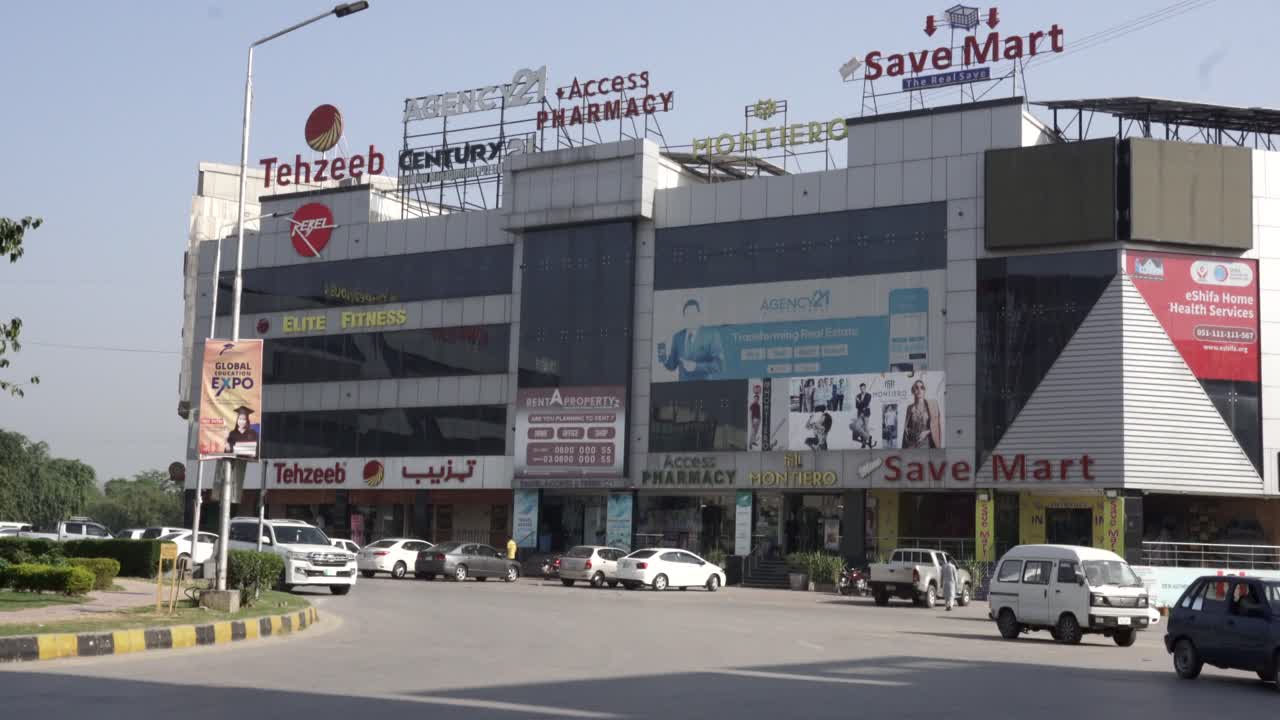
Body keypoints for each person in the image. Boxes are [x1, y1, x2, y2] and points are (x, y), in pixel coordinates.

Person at [658, 299, 724, 381]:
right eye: (688, 315)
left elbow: (719, 365)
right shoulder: (678, 337)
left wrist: (696, 367)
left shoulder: (711, 335)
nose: (691, 318)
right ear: (684, 317)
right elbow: (671, 366)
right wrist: (662, 350)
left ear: (699, 315)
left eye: (694, 314)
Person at [902, 379, 943, 449]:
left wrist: (927, 432)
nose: (919, 390)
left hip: (927, 443)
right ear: (913, 391)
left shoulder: (932, 405)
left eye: (922, 387)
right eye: (916, 388)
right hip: (913, 444)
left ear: (924, 391)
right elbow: (907, 427)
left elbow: (937, 425)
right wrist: (908, 431)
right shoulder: (910, 408)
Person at [851, 383, 876, 448]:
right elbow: (857, 406)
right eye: (861, 389)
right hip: (860, 413)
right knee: (858, 427)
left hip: (866, 413)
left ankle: (864, 443)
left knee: (866, 427)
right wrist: (861, 404)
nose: (862, 390)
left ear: (865, 388)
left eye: (863, 388)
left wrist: (859, 401)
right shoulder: (858, 395)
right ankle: (868, 437)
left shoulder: (868, 395)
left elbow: (866, 404)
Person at [749, 384, 762, 450]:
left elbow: (758, 413)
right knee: (753, 431)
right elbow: (750, 410)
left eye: (757, 399)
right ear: (754, 399)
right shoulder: (753, 404)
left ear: (758, 399)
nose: (756, 399)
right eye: (755, 399)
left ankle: (753, 441)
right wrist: (752, 421)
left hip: (758, 419)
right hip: (754, 419)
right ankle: (750, 443)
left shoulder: (758, 405)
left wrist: (760, 419)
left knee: (756, 431)